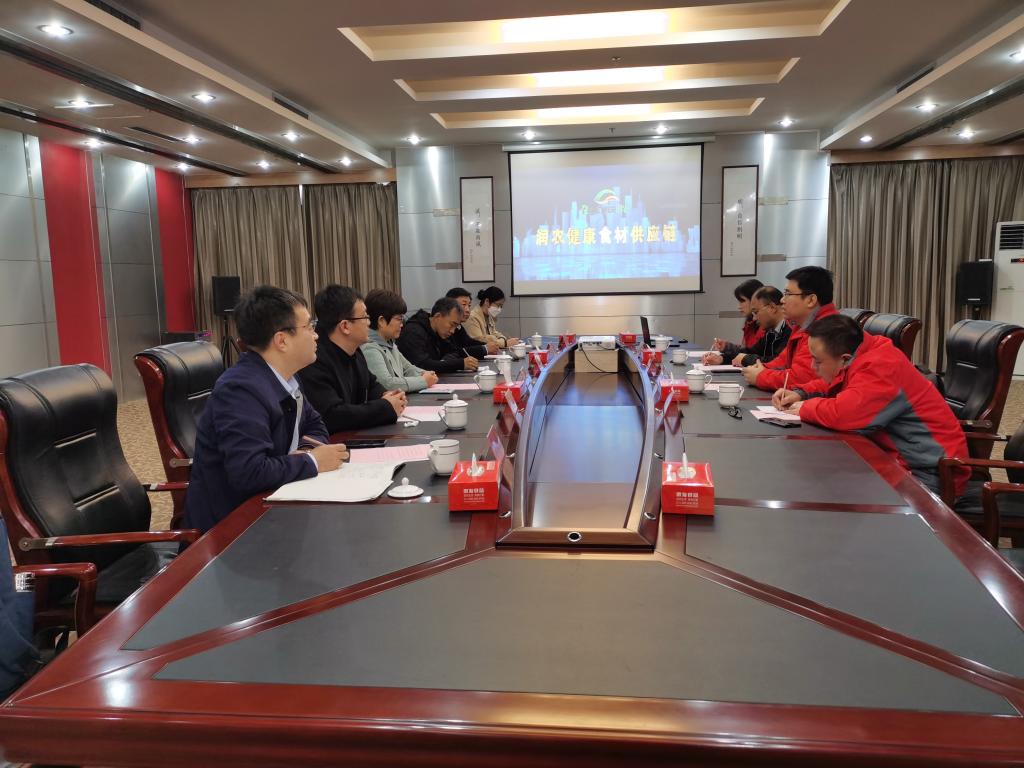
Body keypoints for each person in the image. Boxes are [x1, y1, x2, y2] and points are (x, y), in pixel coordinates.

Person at [185, 286, 349, 533]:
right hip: (233, 530)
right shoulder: (240, 390)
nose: (316, 335)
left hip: (276, 505)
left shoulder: (287, 377)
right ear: (282, 340)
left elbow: (316, 424)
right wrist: (312, 460)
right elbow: (249, 472)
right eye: (309, 327)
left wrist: (305, 451)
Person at [773, 314, 969, 498]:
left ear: (845, 359)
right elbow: (837, 382)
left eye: (817, 361)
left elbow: (843, 414)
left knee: (829, 491)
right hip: (898, 458)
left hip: (929, 472)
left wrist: (805, 407)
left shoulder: (882, 365)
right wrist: (801, 393)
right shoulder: (863, 354)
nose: (812, 367)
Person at [297, 284, 407, 432]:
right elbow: (333, 415)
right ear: (345, 326)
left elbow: (371, 385)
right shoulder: (314, 359)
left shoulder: (355, 351)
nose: (369, 322)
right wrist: (386, 407)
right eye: (365, 317)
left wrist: (390, 396)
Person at [742, 266, 838, 391]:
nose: (782, 300)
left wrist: (760, 376)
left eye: (788, 294)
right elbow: (782, 361)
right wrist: (761, 368)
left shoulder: (825, 330)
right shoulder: (802, 326)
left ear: (811, 300)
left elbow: (800, 379)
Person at [361, 288, 438, 392]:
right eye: (399, 319)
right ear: (381, 321)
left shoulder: (389, 343)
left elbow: (408, 368)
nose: (402, 324)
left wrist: (426, 374)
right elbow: (387, 384)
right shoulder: (369, 348)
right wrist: (423, 381)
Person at [703, 286, 790, 367]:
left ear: (772, 308)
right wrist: (722, 358)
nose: (754, 318)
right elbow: (752, 352)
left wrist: (745, 359)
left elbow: (778, 362)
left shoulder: (790, 330)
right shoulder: (771, 332)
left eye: (756, 312)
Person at [399, 297, 480, 373]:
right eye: (452, 324)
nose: (453, 331)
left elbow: (454, 351)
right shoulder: (414, 331)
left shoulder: (439, 331)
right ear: (438, 316)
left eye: (456, 327)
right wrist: (460, 364)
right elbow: (423, 365)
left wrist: (447, 361)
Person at [710, 279, 764, 354]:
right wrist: (726, 347)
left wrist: (723, 357)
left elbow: (753, 355)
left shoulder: (765, 327)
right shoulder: (750, 323)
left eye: (742, 301)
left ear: (755, 300)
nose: (739, 307)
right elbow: (746, 351)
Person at [445, 287, 497, 358]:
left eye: (469, 305)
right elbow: (453, 351)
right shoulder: (445, 326)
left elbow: (468, 342)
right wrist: (484, 349)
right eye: (463, 304)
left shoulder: (459, 326)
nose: (468, 310)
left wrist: (486, 346)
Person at [464, 286, 520, 350]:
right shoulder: (472, 317)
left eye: (501, 306)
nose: (499, 309)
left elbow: (495, 334)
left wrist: (501, 339)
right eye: (498, 305)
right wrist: (505, 343)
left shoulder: (489, 316)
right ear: (487, 301)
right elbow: (479, 340)